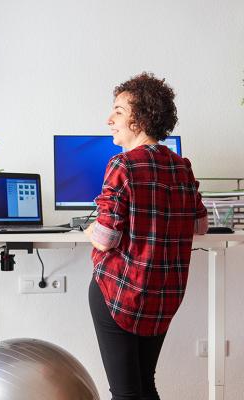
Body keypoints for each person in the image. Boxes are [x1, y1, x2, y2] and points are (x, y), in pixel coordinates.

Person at [84, 72, 208, 400]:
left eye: (118, 112)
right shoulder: (182, 167)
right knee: (144, 384)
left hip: (120, 293)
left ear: (140, 119)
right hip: (163, 297)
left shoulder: (122, 165)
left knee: (125, 392)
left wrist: (90, 230)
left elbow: (106, 239)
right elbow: (201, 226)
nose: (109, 119)